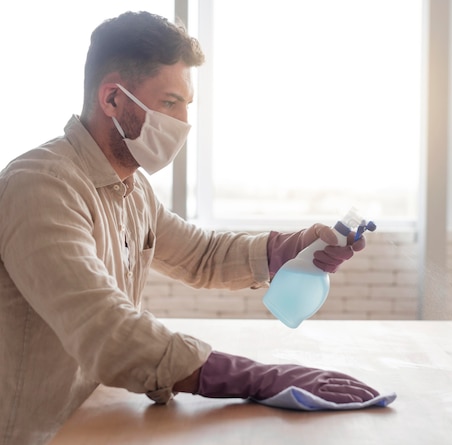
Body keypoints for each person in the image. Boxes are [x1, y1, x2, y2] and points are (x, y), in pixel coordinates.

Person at [0, 11, 386, 445]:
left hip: (91, 424)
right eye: (168, 103)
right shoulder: (42, 184)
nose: (183, 122)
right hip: (34, 434)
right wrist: (255, 377)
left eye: (186, 105)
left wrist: (288, 249)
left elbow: (200, 254)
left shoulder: (130, 189)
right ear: (112, 99)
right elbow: (105, 330)